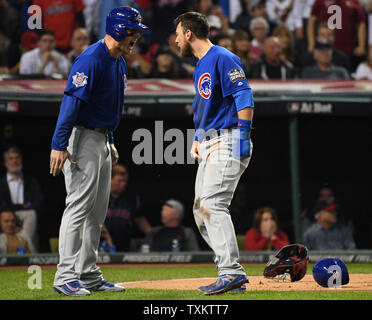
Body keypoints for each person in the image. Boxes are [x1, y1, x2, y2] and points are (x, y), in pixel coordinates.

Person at [49, 6, 148, 297]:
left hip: (101, 138)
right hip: (81, 137)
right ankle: (65, 276)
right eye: (133, 32)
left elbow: (108, 106)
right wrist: (58, 144)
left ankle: (88, 274)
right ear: (118, 29)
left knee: (96, 213)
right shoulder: (91, 58)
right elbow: (71, 103)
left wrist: (111, 139)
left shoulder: (119, 61)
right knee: (78, 207)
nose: (136, 38)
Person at [174, 11, 254, 295]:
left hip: (230, 138)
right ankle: (228, 272)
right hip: (210, 141)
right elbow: (207, 108)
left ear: (188, 33)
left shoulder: (223, 57)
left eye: (177, 34)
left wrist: (244, 135)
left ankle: (231, 271)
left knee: (213, 205)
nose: (175, 40)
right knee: (200, 210)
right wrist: (198, 136)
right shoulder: (200, 65)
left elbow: (244, 96)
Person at [0, 146, 44, 253]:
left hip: (28, 219)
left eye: (17, 158)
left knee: (31, 215)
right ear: (6, 163)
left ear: (21, 160)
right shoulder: (1, 183)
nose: (14, 161)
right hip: (7, 216)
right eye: (11, 158)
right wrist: (21, 207)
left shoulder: (31, 181)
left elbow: (39, 202)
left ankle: (31, 259)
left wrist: (25, 208)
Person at [104, 164, 151, 252]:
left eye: (125, 181)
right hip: (102, 243)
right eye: (120, 181)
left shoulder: (131, 198)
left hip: (124, 244)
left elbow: (140, 220)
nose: (124, 184)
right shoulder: (99, 196)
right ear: (109, 179)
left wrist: (152, 234)